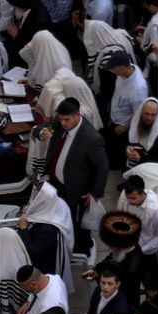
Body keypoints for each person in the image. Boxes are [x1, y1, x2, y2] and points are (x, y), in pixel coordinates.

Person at [36, 97, 109, 249]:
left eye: (67, 120)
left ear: (77, 115)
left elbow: (102, 168)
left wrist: (95, 193)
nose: (63, 123)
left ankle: (80, 250)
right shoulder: (60, 122)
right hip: (55, 182)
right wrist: (42, 132)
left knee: (76, 224)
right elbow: (42, 127)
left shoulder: (92, 138)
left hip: (75, 189)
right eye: (61, 119)